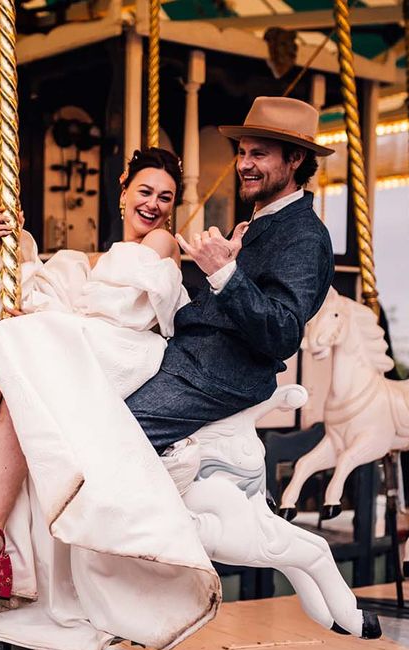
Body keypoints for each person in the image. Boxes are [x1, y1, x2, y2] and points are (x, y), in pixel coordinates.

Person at [0, 148, 221, 650]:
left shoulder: (158, 242)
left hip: (124, 353)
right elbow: (60, 292)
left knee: (10, 340)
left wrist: (43, 316)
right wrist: (16, 249)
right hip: (90, 346)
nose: (153, 204)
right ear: (124, 188)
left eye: (165, 197)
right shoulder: (97, 256)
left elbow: (111, 307)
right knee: (16, 382)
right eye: (145, 191)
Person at [127, 96, 335, 452]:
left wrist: (224, 273)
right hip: (192, 359)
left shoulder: (303, 235)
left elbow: (283, 331)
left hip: (219, 375)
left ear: (295, 159)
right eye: (242, 153)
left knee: (111, 428)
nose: (244, 165)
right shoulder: (264, 220)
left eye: (259, 154)